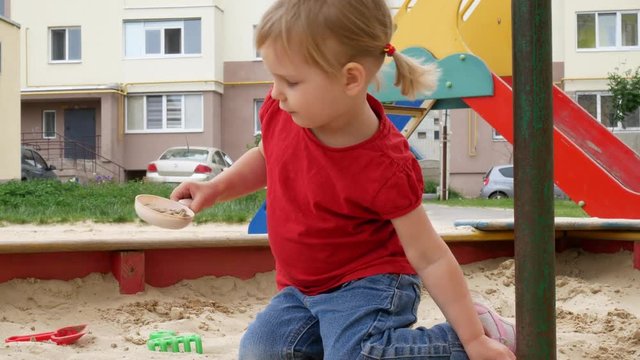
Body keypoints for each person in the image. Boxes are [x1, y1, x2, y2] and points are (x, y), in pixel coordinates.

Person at [171, 0, 516, 358]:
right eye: (273, 78)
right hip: (301, 289)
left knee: (357, 354)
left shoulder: (386, 164)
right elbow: (266, 157)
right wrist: (215, 188)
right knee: (262, 351)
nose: (275, 93)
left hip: (369, 283)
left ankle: (475, 335)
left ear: (350, 78)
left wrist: (474, 339)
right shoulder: (285, 113)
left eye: (290, 81)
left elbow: (429, 257)